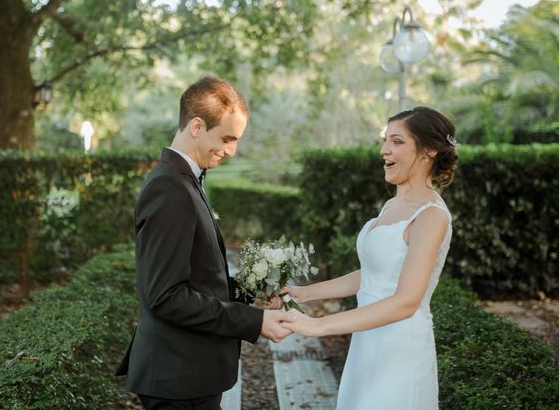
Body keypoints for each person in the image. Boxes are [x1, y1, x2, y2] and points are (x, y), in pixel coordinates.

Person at [116, 76, 293, 410]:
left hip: (189, 373)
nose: (232, 150)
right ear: (197, 126)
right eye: (227, 138)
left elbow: (199, 276)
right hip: (177, 378)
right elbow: (166, 296)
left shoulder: (185, 180)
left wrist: (251, 291)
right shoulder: (169, 188)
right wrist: (253, 322)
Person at [281, 106, 459, 410]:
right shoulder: (392, 204)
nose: (384, 150)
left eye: (397, 142)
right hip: (368, 343)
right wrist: (305, 293)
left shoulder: (431, 216)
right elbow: (377, 274)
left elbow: (406, 301)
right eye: (386, 140)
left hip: (400, 351)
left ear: (429, 150)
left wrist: (317, 326)